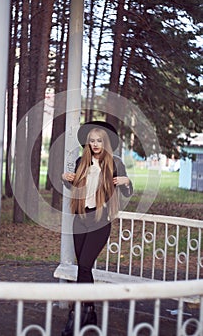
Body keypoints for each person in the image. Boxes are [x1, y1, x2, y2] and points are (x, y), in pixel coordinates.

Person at [61, 121, 133, 336]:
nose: (95, 144)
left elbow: (128, 192)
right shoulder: (80, 161)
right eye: (91, 141)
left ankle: (76, 314)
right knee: (83, 269)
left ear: (106, 142)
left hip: (100, 220)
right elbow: (74, 188)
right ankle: (89, 310)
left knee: (84, 264)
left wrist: (127, 182)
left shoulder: (115, 163)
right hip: (80, 219)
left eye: (99, 140)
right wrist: (67, 180)